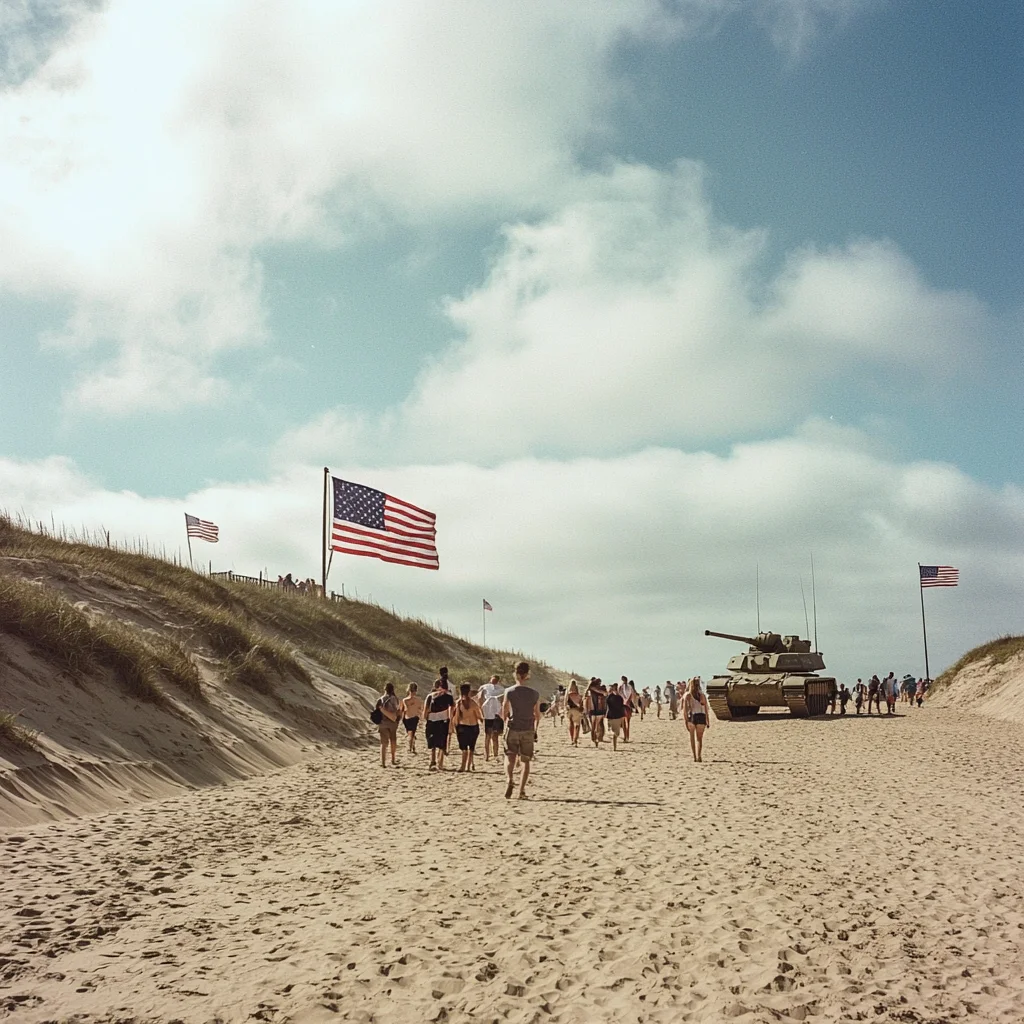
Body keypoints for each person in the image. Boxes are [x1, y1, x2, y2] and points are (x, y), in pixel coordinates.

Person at [502, 661, 540, 800]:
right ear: (527, 675)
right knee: (526, 761)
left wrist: (505, 723)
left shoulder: (509, 691)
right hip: (528, 728)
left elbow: (504, 711)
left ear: (516, 674)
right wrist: (535, 728)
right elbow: (537, 714)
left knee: (510, 757)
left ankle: (509, 779)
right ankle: (522, 791)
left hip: (513, 727)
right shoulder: (534, 693)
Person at [423, 677, 454, 770]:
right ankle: (440, 763)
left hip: (432, 720)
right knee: (442, 742)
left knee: (432, 742)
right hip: (443, 720)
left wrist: (425, 718)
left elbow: (425, 710)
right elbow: (452, 710)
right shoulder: (449, 696)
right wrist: (451, 722)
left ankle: (433, 761)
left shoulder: (430, 696)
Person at [453, 683, 483, 772]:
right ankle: (468, 767)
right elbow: (478, 715)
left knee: (464, 749)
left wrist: (455, 727)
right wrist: (481, 719)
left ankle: (462, 766)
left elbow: (457, 717)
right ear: (469, 691)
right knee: (472, 748)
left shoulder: (458, 703)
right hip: (473, 727)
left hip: (462, 727)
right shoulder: (473, 703)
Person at [479, 674, 505, 761]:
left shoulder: (501, 689)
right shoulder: (484, 687)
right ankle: (488, 755)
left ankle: (494, 754)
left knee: (494, 735)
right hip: (489, 713)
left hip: (495, 714)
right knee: (489, 735)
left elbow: (503, 701)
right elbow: (479, 698)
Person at [683, 678, 710, 762]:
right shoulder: (702, 695)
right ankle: (699, 756)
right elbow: (706, 709)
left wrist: (686, 720)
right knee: (699, 739)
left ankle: (694, 756)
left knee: (692, 738)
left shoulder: (687, 695)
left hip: (692, 716)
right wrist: (707, 720)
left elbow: (685, 710)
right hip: (701, 716)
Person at [376, 682, 401, 767]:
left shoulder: (381, 699)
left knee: (383, 743)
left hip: (383, 723)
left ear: (385, 689)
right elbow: (398, 710)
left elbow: (376, 711)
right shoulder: (396, 699)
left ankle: (383, 762)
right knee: (393, 741)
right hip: (393, 723)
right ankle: (393, 760)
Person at [400, 683, 423, 754]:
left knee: (410, 733)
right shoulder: (418, 700)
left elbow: (403, 710)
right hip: (413, 718)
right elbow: (420, 710)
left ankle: (410, 747)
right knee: (411, 733)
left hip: (408, 718)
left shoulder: (405, 700)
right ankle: (412, 744)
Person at [605, 683, 627, 751]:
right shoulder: (616, 697)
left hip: (615, 716)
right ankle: (614, 747)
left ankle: (614, 747)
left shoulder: (617, 697)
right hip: (614, 716)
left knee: (616, 733)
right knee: (615, 733)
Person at [587, 678, 606, 747]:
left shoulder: (592, 689)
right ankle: (597, 738)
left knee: (595, 725)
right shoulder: (594, 689)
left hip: (595, 709)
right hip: (597, 709)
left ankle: (595, 738)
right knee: (598, 724)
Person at [566, 680, 585, 747]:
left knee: (571, 724)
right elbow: (581, 702)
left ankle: (572, 739)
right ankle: (575, 739)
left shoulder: (568, 693)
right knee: (577, 725)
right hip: (576, 710)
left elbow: (565, 703)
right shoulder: (578, 693)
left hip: (570, 710)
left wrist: (565, 710)